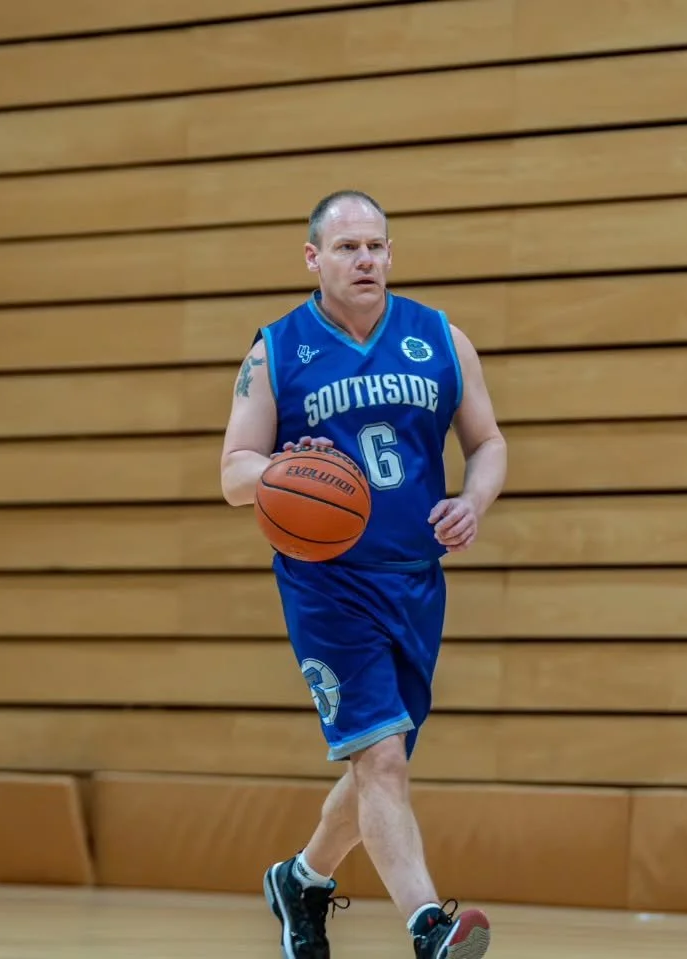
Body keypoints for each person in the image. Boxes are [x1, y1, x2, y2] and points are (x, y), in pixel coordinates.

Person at [219, 189, 506, 959]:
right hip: (326, 582)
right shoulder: (276, 349)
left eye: (376, 246)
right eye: (347, 248)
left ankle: (303, 879)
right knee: (380, 757)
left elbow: (487, 442)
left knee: (383, 761)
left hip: (415, 578)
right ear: (312, 257)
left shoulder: (439, 338)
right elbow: (233, 469)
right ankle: (427, 927)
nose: (366, 259)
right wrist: (284, 471)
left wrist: (472, 499)